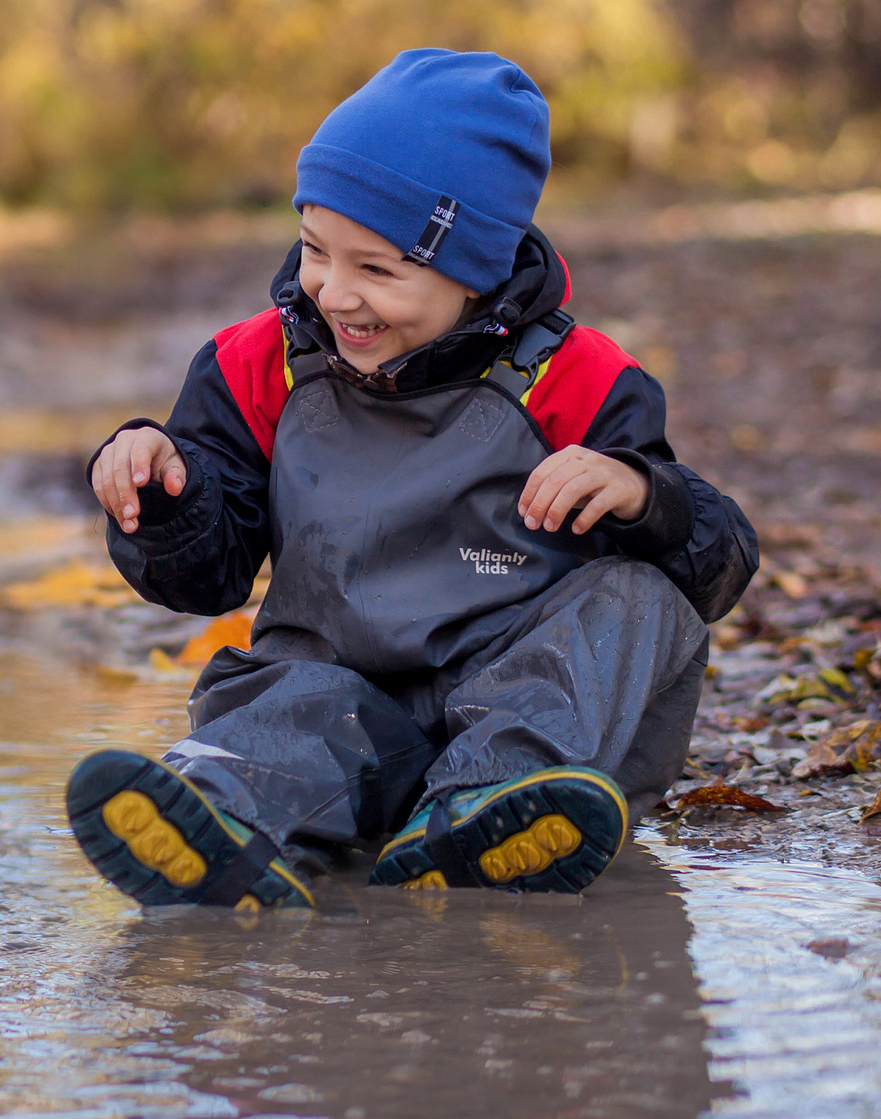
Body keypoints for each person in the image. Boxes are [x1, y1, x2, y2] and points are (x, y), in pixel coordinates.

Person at [69, 49, 757, 906]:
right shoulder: (257, 364)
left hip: (530, 715)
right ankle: (222, 815)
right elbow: (208, 579)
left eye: (377, 269)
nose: (333, 293)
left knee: (644, 598)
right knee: (288, 709)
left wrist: (646, 497)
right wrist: (168, 499)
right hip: (337, 699)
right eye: (315, 250)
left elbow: (719, 566)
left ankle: (492, 808)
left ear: (475, 269)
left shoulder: (578, 378)